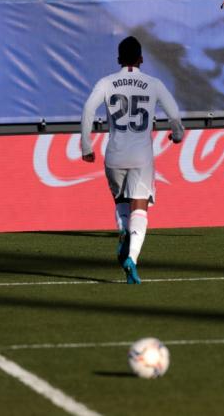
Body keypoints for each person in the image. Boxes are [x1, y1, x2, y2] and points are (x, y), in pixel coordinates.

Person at [81, 36, 184, 284]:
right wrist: (177, 134)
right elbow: (174, 114)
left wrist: (86, 144)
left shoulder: (106, 83)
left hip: (114, 154)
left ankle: (122, 231)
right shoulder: (153, 83)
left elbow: (87, 109)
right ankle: (132, 259)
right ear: (141, 59)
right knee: (140, 207)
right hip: (141, 156)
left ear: (118, 59)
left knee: (121, 202)